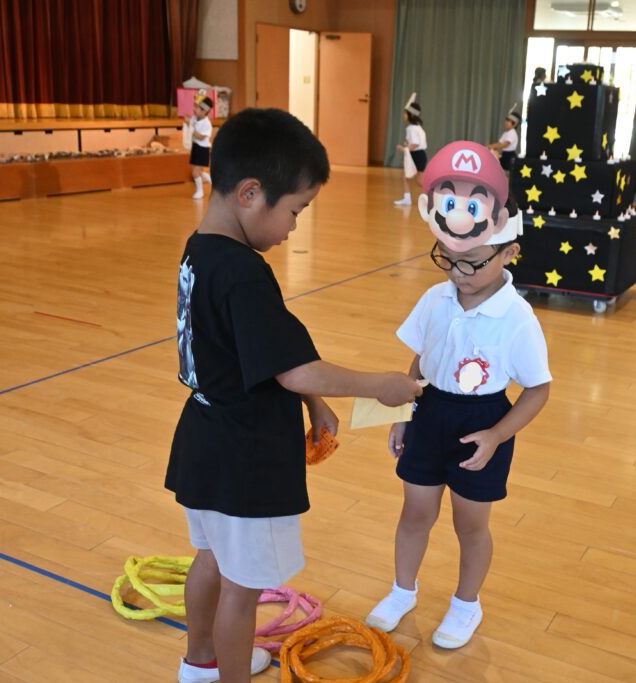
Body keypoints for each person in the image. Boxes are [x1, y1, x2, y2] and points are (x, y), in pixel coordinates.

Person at [168, 108, 423, 683]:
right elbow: (296, 371)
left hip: (203, 442)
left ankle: (201, 662)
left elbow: (258, 350)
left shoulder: (201, 250)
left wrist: (313, 403)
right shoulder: (244, 273)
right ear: (251, 193)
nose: (293, 227)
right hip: (244, 458)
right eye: (295, 210)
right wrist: (380, 386)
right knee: (242, 587)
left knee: (211, 559)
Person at [365, 141, 552, 650]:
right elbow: (420, 360)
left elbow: (538, 390)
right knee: (415, 512)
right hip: (430, 412)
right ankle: (403, 591)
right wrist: (404, 413)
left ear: (509, 251)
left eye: (471, 262)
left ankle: (467, 604)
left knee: (470, 524)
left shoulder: (517, 318)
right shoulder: (435, 298)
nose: (456, 272)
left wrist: (496, 435)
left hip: (482, 423)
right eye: (447, 259)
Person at [394, 96, 427, 207]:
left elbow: (415, 144)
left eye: (405, 113)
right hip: (419, 155)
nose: (404, 115)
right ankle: (407, 199)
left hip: (417, 155)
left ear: (410, 115)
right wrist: (407, 143)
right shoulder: (417, 127)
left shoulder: (412, 128)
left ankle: (435, 196)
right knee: (406, 176)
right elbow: (412, 141)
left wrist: (404, 149)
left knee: (419, 181)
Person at [189, 95, 214, 200]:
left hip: (202, 150)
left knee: (195, 173)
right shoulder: (195, 118)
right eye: (194, 106)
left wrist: (191, 128)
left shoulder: (207, 124)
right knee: (197, 170)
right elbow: (190, 124)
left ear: (204, 111)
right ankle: (209, 178)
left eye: (197, 107)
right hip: (196, 147)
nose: (194, 109)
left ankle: (200, 191)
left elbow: (201, 137)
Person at [488, 106, 520, 171]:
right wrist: (491, 148)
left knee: (507, 173)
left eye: (509, 121)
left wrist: (490, 146)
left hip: (510, 157)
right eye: (506, 120)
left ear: (514, 124)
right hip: (504, 155)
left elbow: (504, 145)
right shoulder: (506, 133)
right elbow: (499, 143)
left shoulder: (512, 133)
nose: (506, 122)